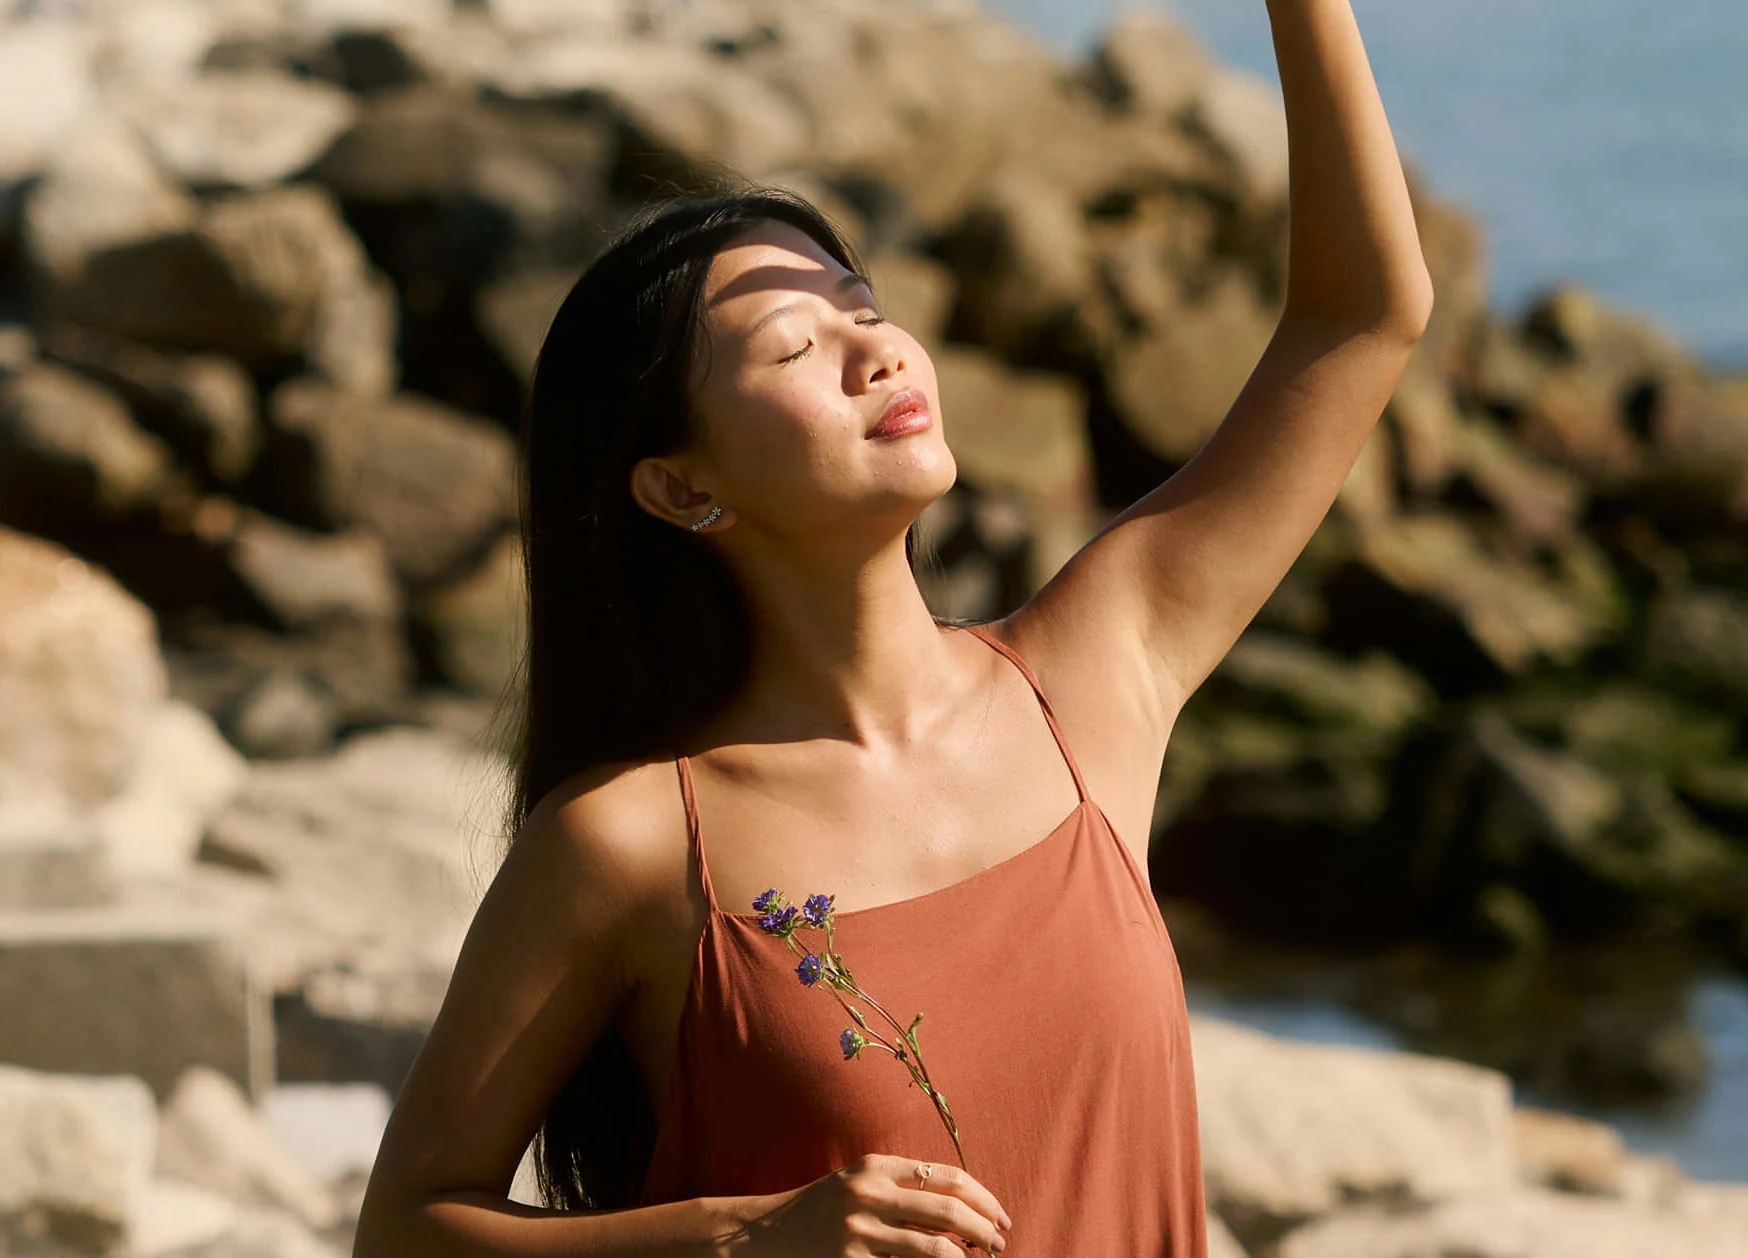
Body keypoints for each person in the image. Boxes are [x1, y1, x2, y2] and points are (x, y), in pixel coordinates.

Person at [354, 1, 1431, 1252]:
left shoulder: (1092, 680)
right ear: (682, 485)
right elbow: (407, 1230)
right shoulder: (632, 842)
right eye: (794, 344)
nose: (873, 351)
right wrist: (747, 1238)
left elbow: (1361, 320)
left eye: (863, 306)